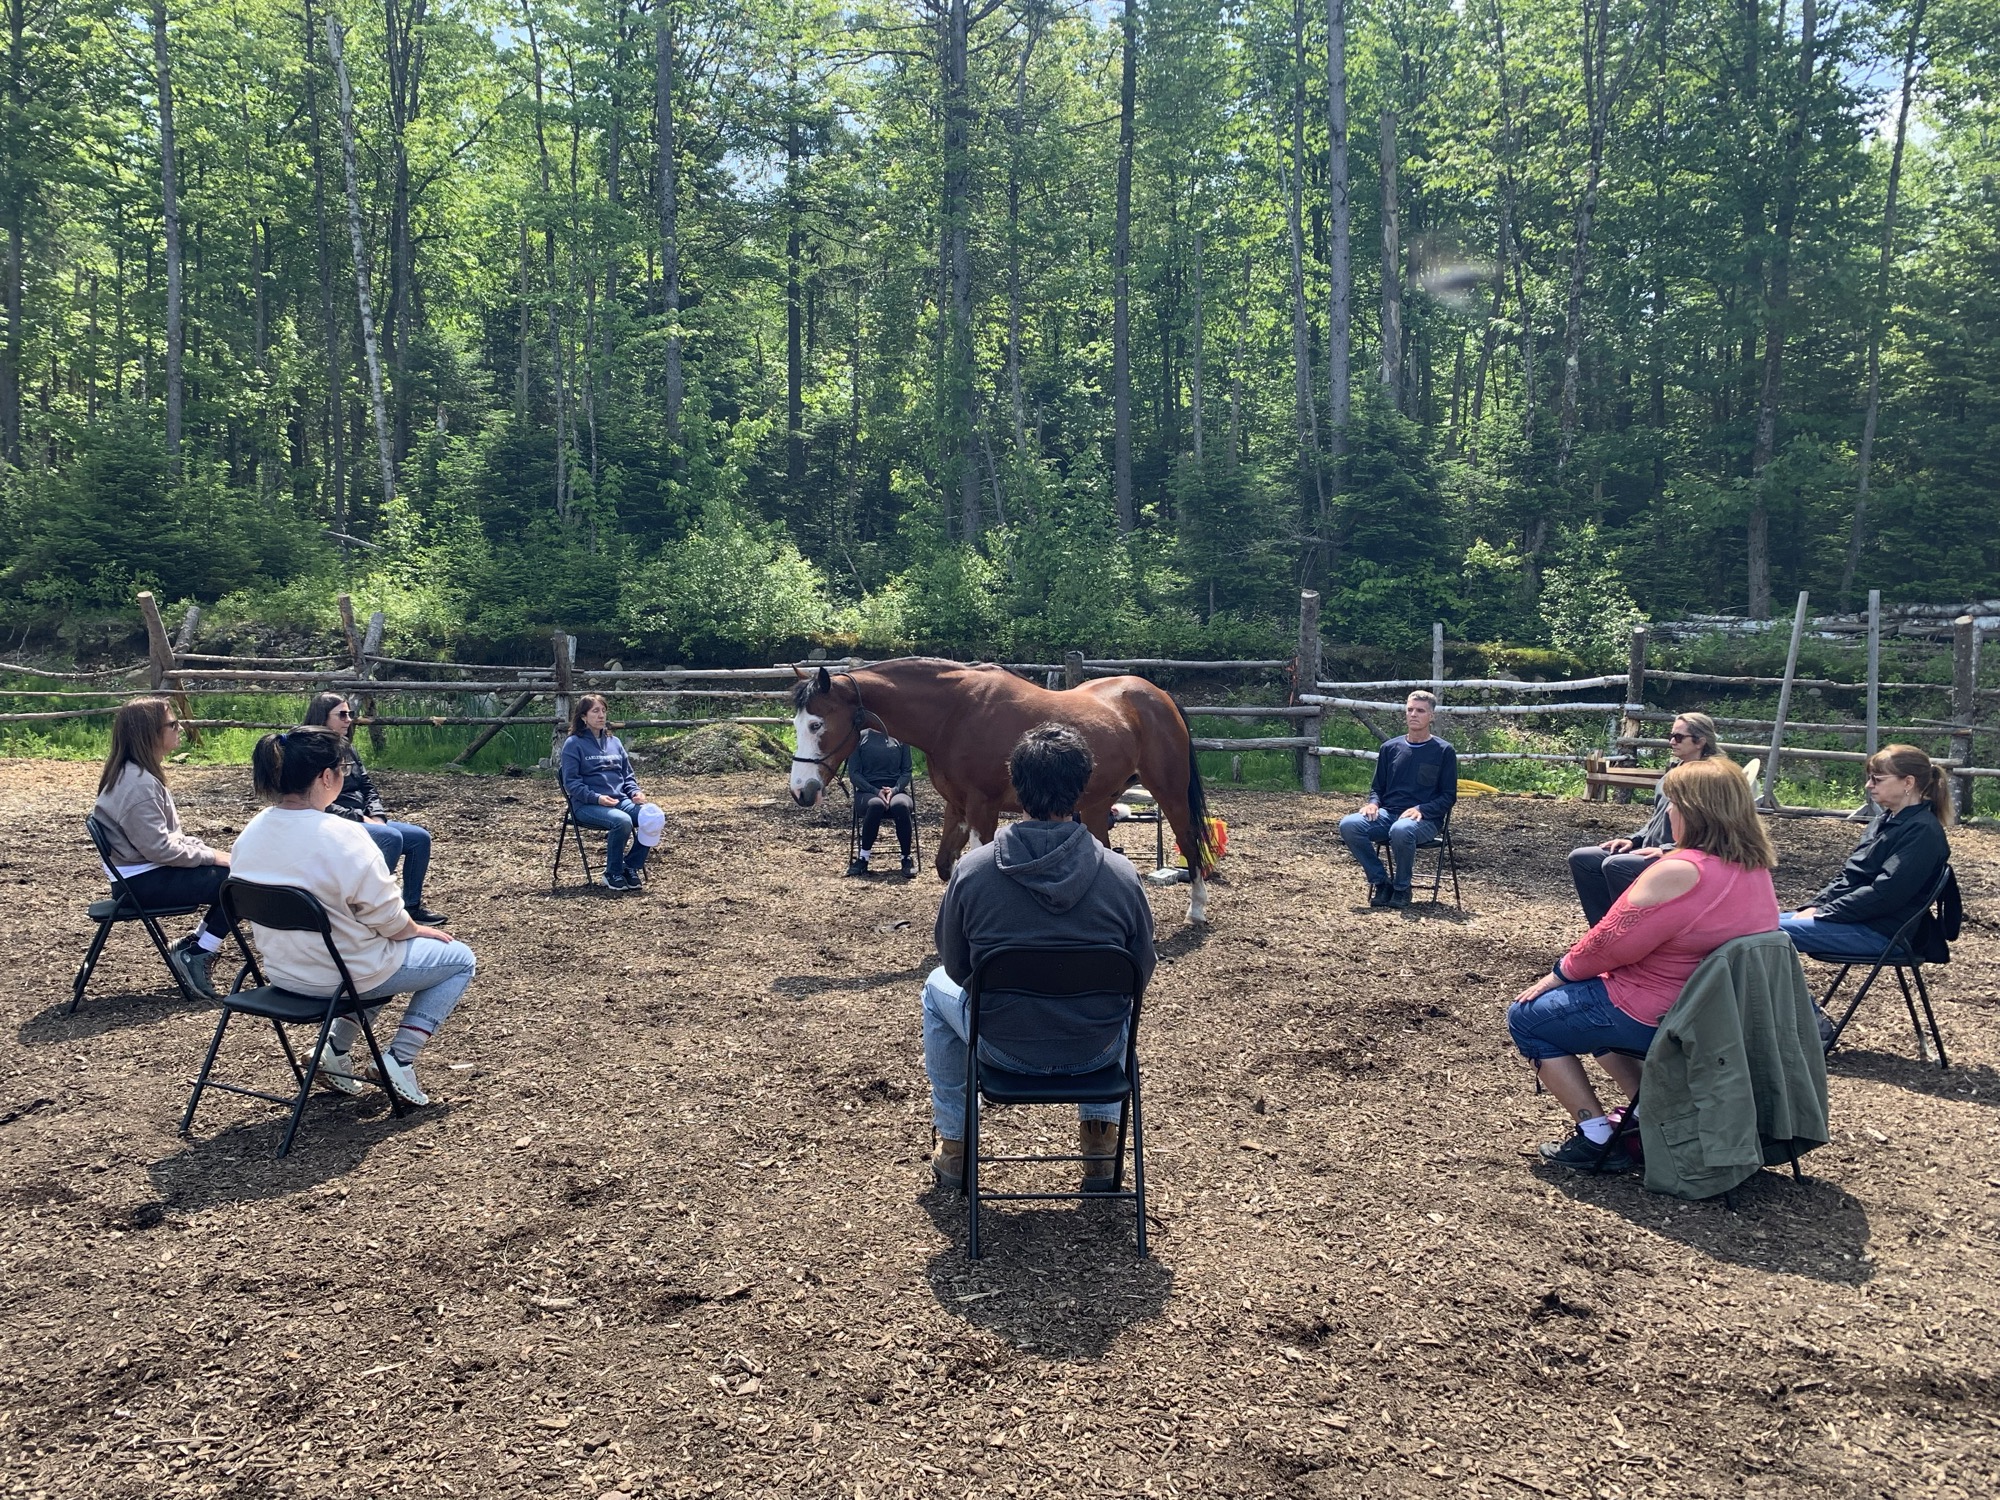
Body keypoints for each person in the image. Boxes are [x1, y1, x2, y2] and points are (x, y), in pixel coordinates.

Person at [1506, 756, 1782, 1170]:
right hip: (1720, 1017)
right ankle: (1647, 1115)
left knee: (1528, 1017)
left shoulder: (1679, 870)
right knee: (1586, 1001)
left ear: (1693, 809)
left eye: (1672, 802)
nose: (1668, 810)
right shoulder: (1753, 867)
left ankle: (1596, 1137)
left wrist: (1558, 974)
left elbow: (1608, 943)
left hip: (1663, 1014)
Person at [921, 723, 1156, 1192]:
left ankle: (954, 1146)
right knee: (1120, 994)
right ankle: (1101, 1143)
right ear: (1084, 785)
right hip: (1096, 1049)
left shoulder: (973, 870)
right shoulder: (1121, 874)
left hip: (1001, 1045)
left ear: (1015, 782)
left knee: (934, 987)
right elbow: (1141, 970)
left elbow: (956, 965)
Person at [230, 725, 475, 1106]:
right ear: (326, 777)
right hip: (343, 976)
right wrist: (416, 929)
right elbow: (390, 921)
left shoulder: (252, 831)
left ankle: (335, 1050)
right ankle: (398, 1059)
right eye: (341, 768)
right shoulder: (344, 835)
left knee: (377, 955)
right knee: (459, 959)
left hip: (283, 973)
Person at [91, 697, 232, 1000]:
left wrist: (207, 851)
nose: (180, 728)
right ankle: (198, 953)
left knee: (232, 873)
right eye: (172, 724)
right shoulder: (138, 784)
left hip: (139, 876)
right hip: (142, 882)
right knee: (239, 884)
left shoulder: (135, 774)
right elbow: (161, 849)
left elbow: (165, 840)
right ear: (149, 733)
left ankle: (194, 946)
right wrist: (213, 856)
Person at [1779, 743, 1952, 962]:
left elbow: (1886, 894)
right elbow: (1850, 876)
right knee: (1753, 928)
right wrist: (1815, 905)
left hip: (1882, 933)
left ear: (1908, 782)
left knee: (1761, 935)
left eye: (1877, 779)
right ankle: (1783, 997)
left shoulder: (1922, 831)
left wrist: (1825, 912)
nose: (1869, 785)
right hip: (1857, 921)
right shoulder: (1884, 821)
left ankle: (1795, 999)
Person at [302, 692, 447, 924]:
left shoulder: (347, 747)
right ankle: (372, 908)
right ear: (322, 717)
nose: (348, 719)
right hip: (334, 821)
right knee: (389, 838)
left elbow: (367, 785)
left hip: (364, 817)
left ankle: (411, 906)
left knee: (419, 838)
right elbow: (319, 802)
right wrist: (361, 818)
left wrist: (376, 813)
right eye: (342, 714)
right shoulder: (311, 752)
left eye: (350, 714)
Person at [1567, 712, 1723, 926]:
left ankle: (1628, 930)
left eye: (1679, 737)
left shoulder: (1710, 779)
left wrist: (1668, 849)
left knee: (1617, 865)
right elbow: (1658, 817)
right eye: (1671, 736)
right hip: (1650, 848)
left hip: (1683, 856)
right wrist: (1634, 839)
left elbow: (1714, 828)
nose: (1671, 742)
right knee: (1582, 858)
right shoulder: (1675, 771)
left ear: (1700, 741)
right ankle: (1602, 929)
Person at [1338, 691, 1458, 908]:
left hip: (1425, 820)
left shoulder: (1443, 751)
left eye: (1420, 711)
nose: (1413, 714)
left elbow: (1448, 796)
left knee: (1401, 830)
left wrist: (1422, 808)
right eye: (1410, 710)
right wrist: (1373, 803)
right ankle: (1381, 882)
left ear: (1431, 716)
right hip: (1388, 813)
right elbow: (1377, 788)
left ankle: (1402, 888)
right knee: (1349, 824)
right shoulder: (1390, 748)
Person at [558, 694, 655, 892]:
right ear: (583, 716)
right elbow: (572, 783)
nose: (601, 715)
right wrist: (597, 798)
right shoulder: (573, 744)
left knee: (653, 816)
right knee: (622, 821)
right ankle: (612, 872)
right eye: (595, 711)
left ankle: (630, 867)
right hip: (587, 805)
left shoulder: (615, 742)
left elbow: (627, 775)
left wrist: (635, 792)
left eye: (603, 710)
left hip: (620, 800)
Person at [846, 726, 915, 878]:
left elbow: (906, 771)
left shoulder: (901, 737)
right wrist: (875, 791)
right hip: (867, 792)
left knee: (901, 805)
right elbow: (854, 774)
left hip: (896, 791)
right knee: (876, 805)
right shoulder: (859, 738)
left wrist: (894, 790)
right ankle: (863, 858)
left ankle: (906, 858)